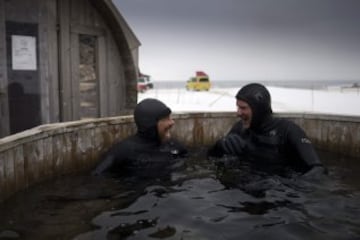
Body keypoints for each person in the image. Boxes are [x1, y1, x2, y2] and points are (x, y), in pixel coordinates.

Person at [208, 83, 326, 177]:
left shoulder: (288, 130)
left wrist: (291, 188)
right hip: (248, 189)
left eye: (243, 108)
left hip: (281, 195)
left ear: (258, 109)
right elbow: (210, 158)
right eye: (238, 107)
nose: (238, 113)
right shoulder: (240, 128)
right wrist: (219, 146)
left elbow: (318, 170)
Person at [92, 98, 188, 178]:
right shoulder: (124, 151)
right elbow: (97, 176)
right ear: (150, 124)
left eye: (170, 118)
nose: (172, 122)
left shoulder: (174, 146)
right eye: (165, 119)